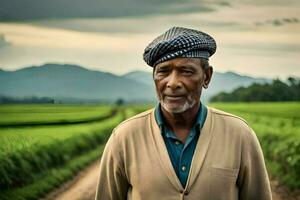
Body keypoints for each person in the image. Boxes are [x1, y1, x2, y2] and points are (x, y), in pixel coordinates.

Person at [95, 27, 272, 200]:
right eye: (163, 71)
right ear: (154, 78)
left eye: (186, 71)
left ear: (206, 77)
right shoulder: (124, 137)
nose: (172, 83)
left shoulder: (239, 134)